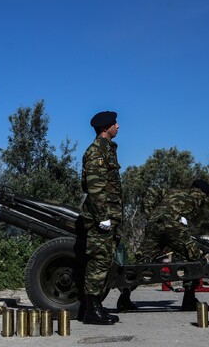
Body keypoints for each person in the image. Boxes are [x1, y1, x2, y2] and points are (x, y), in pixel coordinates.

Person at [117, 179, 209, 312]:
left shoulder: (173, 191)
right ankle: (189, 301)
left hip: (153, 226)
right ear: (201, 191)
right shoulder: (197, 195)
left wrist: (151, 216)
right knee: (195, 260)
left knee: (142, 263)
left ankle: (124, 300)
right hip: (172, 227)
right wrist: (180, 219)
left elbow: (151, 194)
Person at [79, 110, 123, 325]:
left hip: (109, 218)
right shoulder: (97, 152)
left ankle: (96, 307)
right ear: (105, 128)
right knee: (98, 262)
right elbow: (95, 187)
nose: (118, 126)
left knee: (104, 262)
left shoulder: (108, 150)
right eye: (115, 123)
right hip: (101, 219)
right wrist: (103, 217)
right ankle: (90, 311)